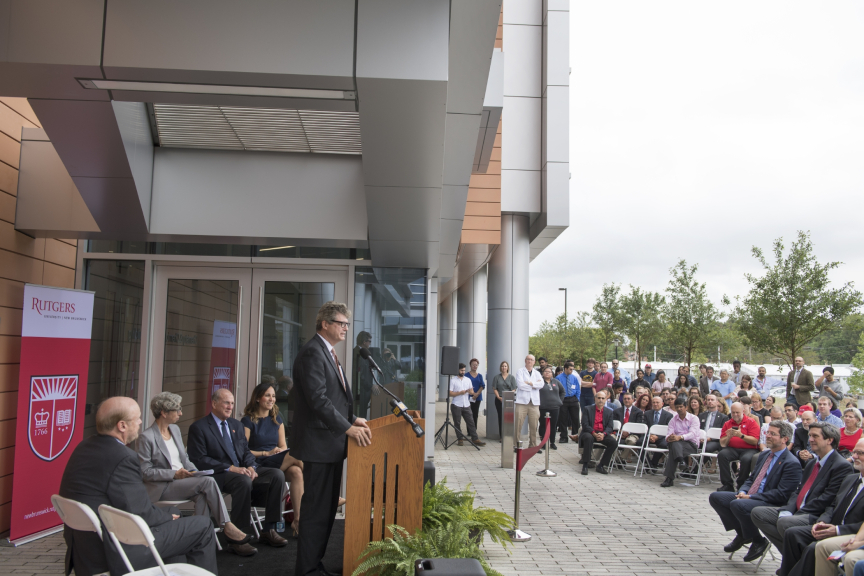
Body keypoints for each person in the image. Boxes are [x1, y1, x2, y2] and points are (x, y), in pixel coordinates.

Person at [60, 397, 218, 576]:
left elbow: (125, 503)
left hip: (86, 549)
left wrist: (168, 516)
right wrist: (168, 518)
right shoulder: (124, 457)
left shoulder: (83, 447)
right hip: (119, 548)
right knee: (203, 526)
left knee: (175, 514)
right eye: (137, 418)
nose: (141, 422)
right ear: (122, 426)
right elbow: (141, 513)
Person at [290, 301, 373, 576]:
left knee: (326, 512)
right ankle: (308, 570)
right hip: (319, 446)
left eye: (348, 324)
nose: (346, 328)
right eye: (341, 323)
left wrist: (351, 420)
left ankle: (314, 565)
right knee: (316, 513)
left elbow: (332, 400)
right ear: (325, 324)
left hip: (330, 444)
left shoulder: (328, 352)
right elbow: (318, 400)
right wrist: (347, 429)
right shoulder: (313, 353)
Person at [138, 392, 254, 556]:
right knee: (208, 482)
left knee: (202, 495)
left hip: (184, 480)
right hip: (163, 486)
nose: (181, 413)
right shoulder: (146, 437)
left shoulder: (175, 430)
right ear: (163, 412)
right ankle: (227, 525)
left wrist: (194, 471)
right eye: (177, 410)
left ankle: (198, 540)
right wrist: (174, 474)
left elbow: (185, 458)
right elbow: (145, 472)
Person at [187, 389, 288, 549]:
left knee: (276, 474)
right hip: (218, 474)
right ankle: (238, 537)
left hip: (241, 470)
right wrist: (231, 468)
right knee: (243, 481)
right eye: (226, 402)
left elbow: (245, 452)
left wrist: (251, 466)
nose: (230, 406)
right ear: (214, 403)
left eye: (232, 403)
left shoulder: (235, 425)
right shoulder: (199, 427)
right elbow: (199, 460)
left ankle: (269, 529)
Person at [751, 422, 852, 552]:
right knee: (758, 513)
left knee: (784, 522)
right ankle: (796, 555)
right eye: (810, 436)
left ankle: (794, 558)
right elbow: (798, 491)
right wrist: (788, 509)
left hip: (815, 514)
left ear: (830, 440)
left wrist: (797, 513)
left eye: (815, 436)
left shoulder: (841, 466)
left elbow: (828, 498)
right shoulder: (812, 463)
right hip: (799, 510)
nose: (810, 440)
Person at [709, 420, 801, 563]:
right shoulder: (764, 456)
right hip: (751, 495)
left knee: (737, 505)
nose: (768, 436)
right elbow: (752, 479)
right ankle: (744, 534)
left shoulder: (791, 463)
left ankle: (758, 540)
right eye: (767, 433)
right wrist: (744, 491)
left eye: (773, 434)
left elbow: (782, 494)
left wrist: (751, 496)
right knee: (716, 497)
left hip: (769, 501)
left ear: (785, 439)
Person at [780, 438, 864, 576]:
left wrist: (837, 530)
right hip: (831, 526)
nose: (854, 456)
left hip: (850, 533)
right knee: (793, 534)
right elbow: (833, 505)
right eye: (854, 452)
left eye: (860, 453)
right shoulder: (851, 479)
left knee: (813, 548)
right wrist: (822, 522)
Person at [241, 382, 306, 537]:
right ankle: (319, 493)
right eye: (267, 395)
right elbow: (243, 450)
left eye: (274, 396)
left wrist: (278, 452)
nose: (272, 399)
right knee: (297, 454)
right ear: (257, 398)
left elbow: (283, 446)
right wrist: (266, 453)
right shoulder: (248, 421)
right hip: (258, 462)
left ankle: (298, 520)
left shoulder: (277, 420)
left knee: (297, 471)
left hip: (277, 459)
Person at [717, 402, 761, 492]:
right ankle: (727, 484)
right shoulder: (728, 423)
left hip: (749, 449)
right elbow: (723, 444)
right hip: (733, 448)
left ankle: (741, 484)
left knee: (746, 459)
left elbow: (755, 441)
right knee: (722, 455)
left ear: (743, 411)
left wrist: (741, 435)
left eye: (737, 412)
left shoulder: (751, 422)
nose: (735, 415)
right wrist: (729, 436)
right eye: (733, 412)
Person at [571, 389, 617, 475]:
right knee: (588, 438)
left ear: (606, 399)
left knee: (613, 443)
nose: (600, 400)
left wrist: (603, 434)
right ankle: (585, 464)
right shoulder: (588, 409)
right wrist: (594, 433)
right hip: (590, 432)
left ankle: (601, 465)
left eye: (603, 398)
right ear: (595, 399)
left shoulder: (609, 412)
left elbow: (610, 427)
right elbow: (585, 424)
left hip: (602, 433)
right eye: (598, 398)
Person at [660, 397, 701, 488]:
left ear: (686, 407)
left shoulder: (694, 419)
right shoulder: (673, 420)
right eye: (677, 407)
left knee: (673, 449)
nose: (679, 409)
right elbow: (668, 434)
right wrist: (670, 438)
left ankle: (669, 479)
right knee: (674, 444)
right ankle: (681, 461)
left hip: (691, 444)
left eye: (681, 407)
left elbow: (693, 434)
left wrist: (680, 437)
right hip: (676, 444)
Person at [449, 363, 485, 447]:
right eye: (461, 370)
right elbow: (450, 393)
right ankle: (460, 439)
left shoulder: (468, 380)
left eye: (464, 370)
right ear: (458, 370)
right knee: (457, 422)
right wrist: (460, 393)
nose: (463, 372)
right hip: (456, 404)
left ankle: (475, 438)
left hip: (466, 404)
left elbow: (472, 391)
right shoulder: (453, 380)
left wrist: (470, 392)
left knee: (471, 421)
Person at [514, 355, 544, 448]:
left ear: (534, 362)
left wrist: (530, 383)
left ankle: (533, 445)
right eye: (528, 359)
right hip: (522, 402)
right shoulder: (520, 371)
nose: (529, 361)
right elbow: (520, 385)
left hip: (534, 403)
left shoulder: (537, 373)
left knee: (534, 425)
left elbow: (541, 384)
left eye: (531, 360)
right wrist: (535, 385)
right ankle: (516, 444)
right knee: (518, 424)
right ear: (525, 360)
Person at [642, 395, 673, 472]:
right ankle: (648, 463)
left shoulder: (668, 415)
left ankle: (653, 463)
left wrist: (657, 436)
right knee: (640, 442)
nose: (655, 404)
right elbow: (645, 426)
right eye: (654, 402)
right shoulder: (647, 413)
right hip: (649, 435)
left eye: (657, 402)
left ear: (662, 404)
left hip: (661, 437)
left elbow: (668, 429)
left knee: (664, 444)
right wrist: (650, 435)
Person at [538, 366, 565, 451]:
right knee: (543, 425)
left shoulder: (556, 382)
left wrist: (560, 401)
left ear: (552, 373)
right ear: (543, 373)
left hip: (555, 407)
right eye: (545, 371)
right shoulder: (539, 382)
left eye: (549, 372)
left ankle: (552, 442)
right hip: (542, 407)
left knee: (553, 426)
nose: (547, 373)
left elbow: (563, 391)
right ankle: (543, 442)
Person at [491, 361, 517, 442]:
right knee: (501, 418)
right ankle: (502, 436)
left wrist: (507, 396)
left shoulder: (511, 377)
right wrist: (499, 397)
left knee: (508, 417)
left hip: (508, 399)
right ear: (500, 368)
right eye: (502, 366)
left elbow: (514, 389)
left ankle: (508, 436)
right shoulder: (496, 377)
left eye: (505, 366)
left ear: (508, 368)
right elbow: (494, 388)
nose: (504, 368)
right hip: (499, 399)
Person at [556, 361, 581, 445]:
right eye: (570, 369)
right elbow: (557, 390)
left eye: (572, 369)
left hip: (573, 399)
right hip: (564, 400)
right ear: (565, 368)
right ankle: (563, 436)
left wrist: (577, 398)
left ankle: (576, 435)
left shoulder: (574, 377)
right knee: (563, 419)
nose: (571, 371)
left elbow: (577, 388)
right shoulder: (558, 378)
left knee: (575, 418)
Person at [352, 330, 373, 419]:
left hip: (363, 391)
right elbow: (361, 375)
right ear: (364, 342)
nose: (370, 344)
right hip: (360, 392)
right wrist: (371, 386)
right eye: (369, 341)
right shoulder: (358, 353)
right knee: (360, 416)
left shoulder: (363, 353)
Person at [466, 358, 486, 432]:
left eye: (476, 365)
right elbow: (465, 386)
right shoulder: (466, 375)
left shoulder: (480, 376)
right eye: (473, 365)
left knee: (475, 414)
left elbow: (482, 386)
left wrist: (476, 394)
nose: (475, 366)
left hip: (477, 398)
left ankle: (474, 430)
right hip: (468, 397)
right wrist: (472, 394)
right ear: (470, 365)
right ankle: (469, 430)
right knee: (468, 414)